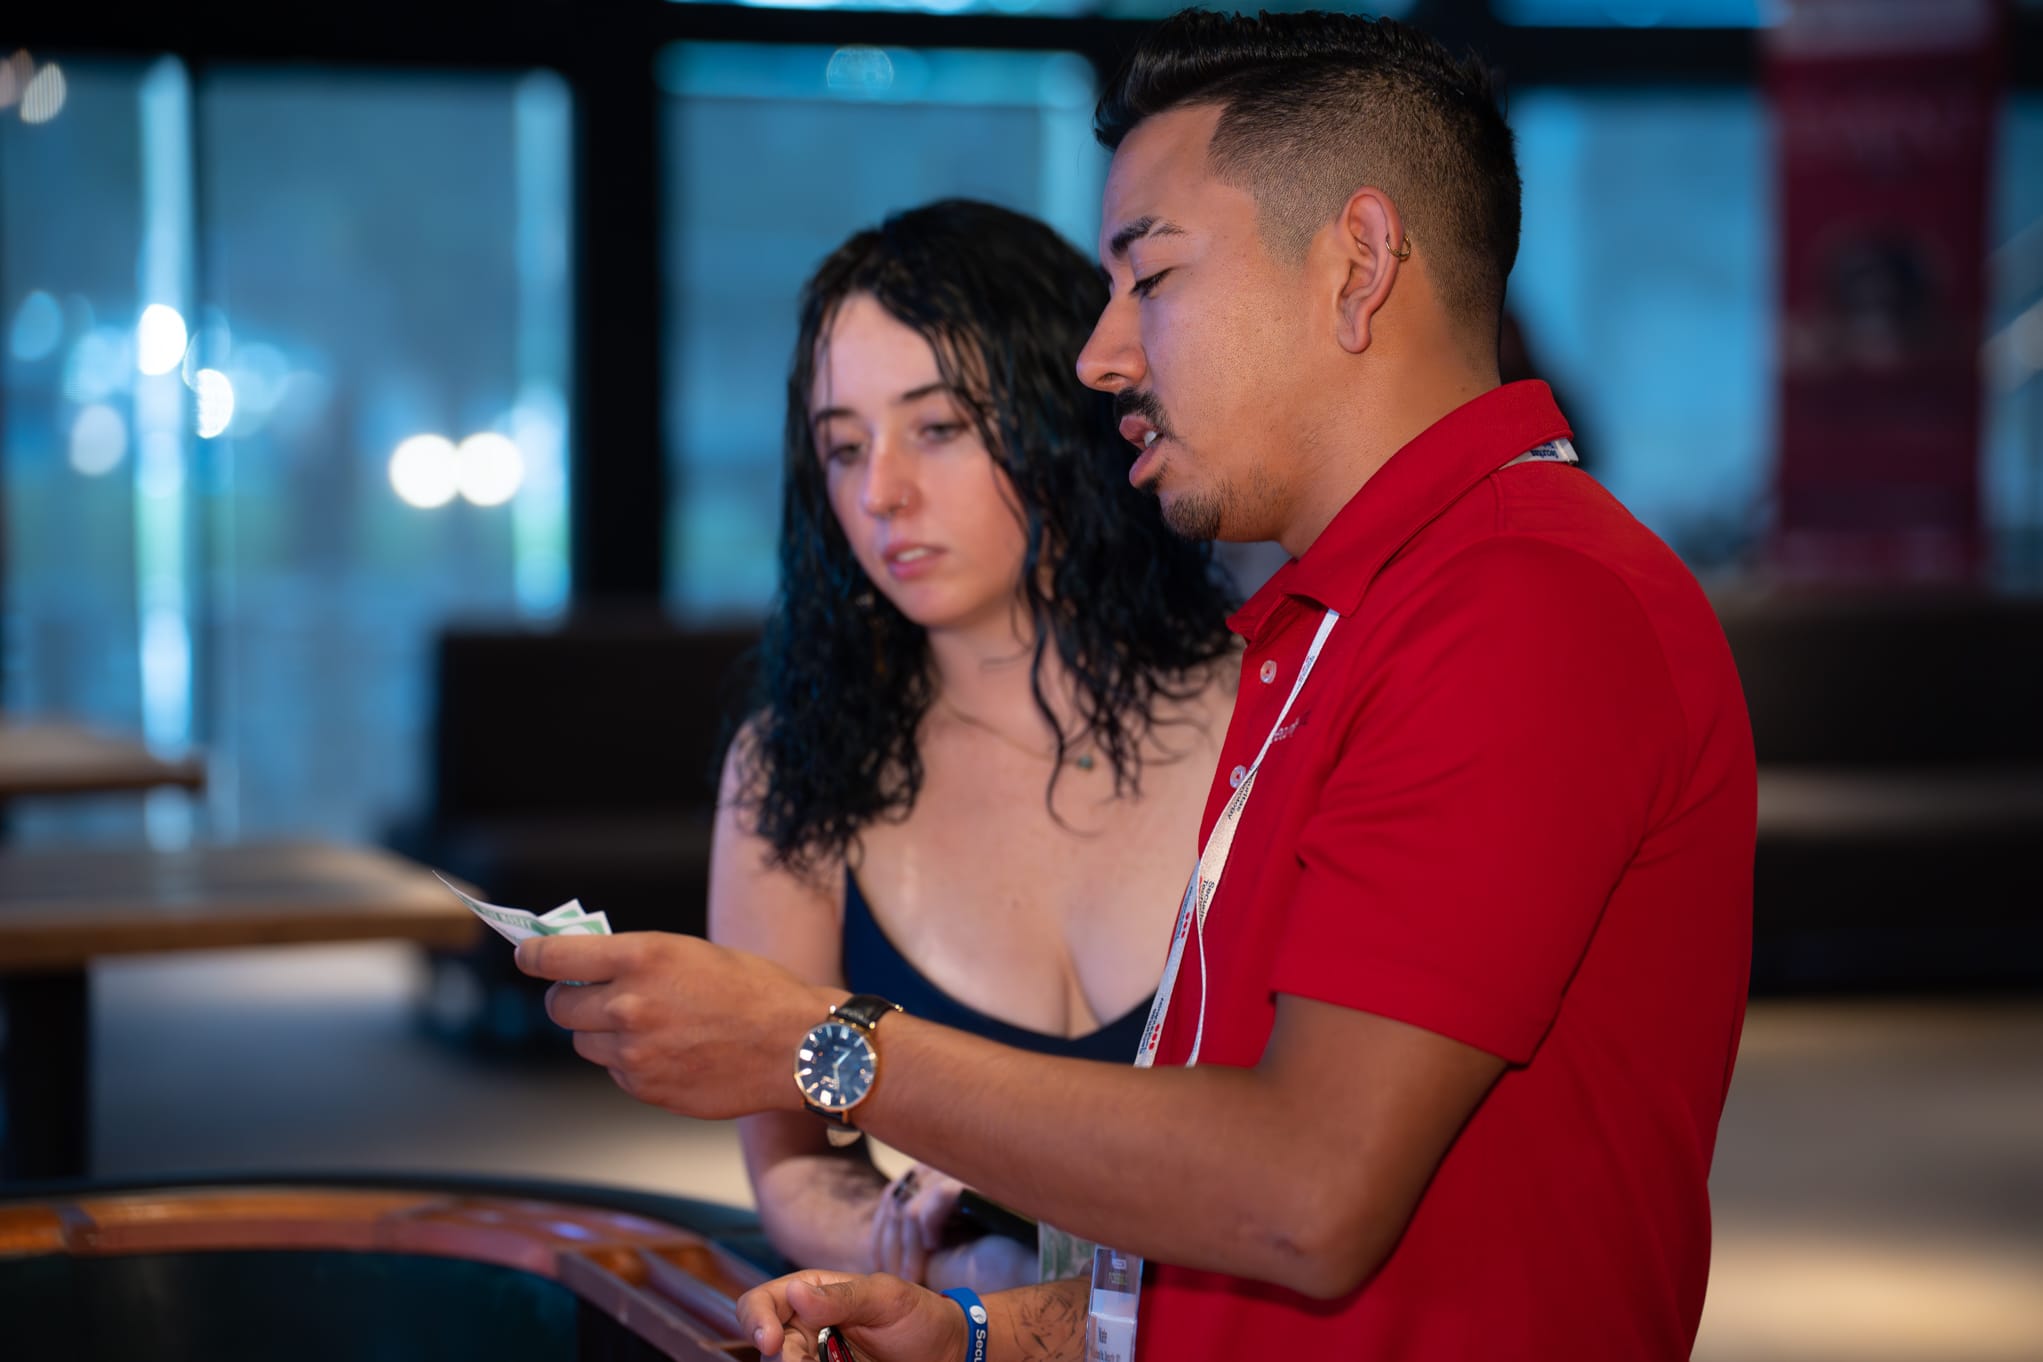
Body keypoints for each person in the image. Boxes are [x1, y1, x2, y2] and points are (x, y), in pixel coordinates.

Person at [517, 11, 1756, 1361]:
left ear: (1356, 262)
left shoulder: (1521, 605)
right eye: (842, 444)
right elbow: (1279, 1243)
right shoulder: (1335, 625)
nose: (1102, 355)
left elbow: (1301, 1193)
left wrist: (817, 1041)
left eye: (1147, 278)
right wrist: (993, 1332)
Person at [709, 199, 1240, 1292]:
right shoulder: (796, 767)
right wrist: (942, 1252)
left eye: (938, 427)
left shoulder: (1267, 709)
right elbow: (793, 1172)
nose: (880, 493)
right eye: (842, 448)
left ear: (1059, 413)